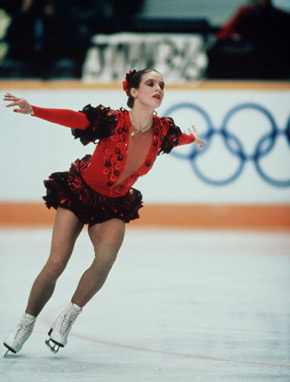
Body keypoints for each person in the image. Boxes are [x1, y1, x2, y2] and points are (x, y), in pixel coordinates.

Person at [3, 68, 205, 355]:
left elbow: (180, 138)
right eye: (151, 83)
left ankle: (66, 318)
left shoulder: (163, 131)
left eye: (162, 84)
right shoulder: (111, 120)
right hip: (79, 194)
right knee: (57, 262)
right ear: (133, 92)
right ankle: (25, 323)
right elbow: (74, 118)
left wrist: (192, 139)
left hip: (114, 204)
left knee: (106, 258)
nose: (158, 88)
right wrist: (34, 109)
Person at [206, 0, 290, 79]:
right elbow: (222, 36)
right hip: (248, 64)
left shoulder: (283, 18)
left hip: (274, 65)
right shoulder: (245, 15)